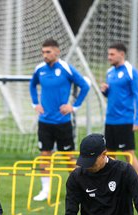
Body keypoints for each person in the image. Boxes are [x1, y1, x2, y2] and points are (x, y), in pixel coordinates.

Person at [30, 38, 90, 201]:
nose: (45, 55)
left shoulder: (65, 68)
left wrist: (74, 106)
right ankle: (45, 190)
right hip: (45, 122)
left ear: (57, 52)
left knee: (69, 157)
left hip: (63, 122)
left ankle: (77, 189)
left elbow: (85, 86)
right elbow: (32, 85)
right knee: (45, 155)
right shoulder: (40, 69)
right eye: (43, 52)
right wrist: (35, 103)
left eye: (48, 52)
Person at [100, 42, 138, 179]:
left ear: (122, 54)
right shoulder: (110, 72)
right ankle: (112, 183)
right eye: (108, 54)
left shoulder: (131, 72)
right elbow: (113, 95)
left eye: (112, 54)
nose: (109, 57)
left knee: (128, 154)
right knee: (109, 154)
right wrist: (105, 92)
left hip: (125, 120)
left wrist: (137, 120)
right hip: (110, 120)